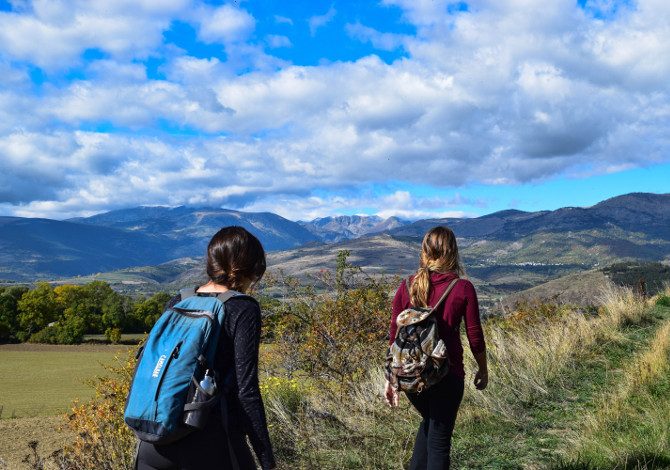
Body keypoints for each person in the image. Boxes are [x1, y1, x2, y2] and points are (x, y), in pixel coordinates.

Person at [136, 226, 276, 470]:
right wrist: (266, 458)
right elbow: (247, 392)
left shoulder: (179, 300)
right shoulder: (243, 309)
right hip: (211, 441)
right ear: (249, 268)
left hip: (154, 441)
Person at [385, 226, 488, 470]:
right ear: (453, 252)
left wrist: (391, 378)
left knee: (430, 427)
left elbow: (394, 334)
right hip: (447, 375)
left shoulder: (407, 285)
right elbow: (475, 336)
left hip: (411, 376)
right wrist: (483, 369)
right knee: (439, 444)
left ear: (424, 251)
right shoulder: (462, 288)